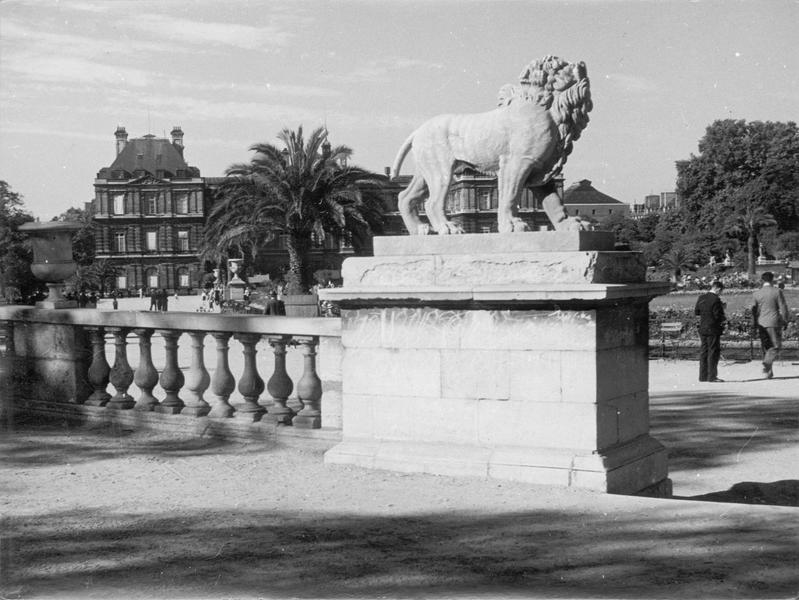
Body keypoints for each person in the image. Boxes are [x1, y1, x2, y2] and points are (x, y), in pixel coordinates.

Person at [751, 271, 790, 379]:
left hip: (761, 322)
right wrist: (785, 320)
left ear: (762, 280)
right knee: (776, 346)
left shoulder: (756, 293)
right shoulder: (777, 291)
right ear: (772, 280)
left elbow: (753, 311)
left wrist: (753, 324)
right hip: (773, 322)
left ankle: (768, 372)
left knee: (766, 347)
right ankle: (767, 363)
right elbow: (783, 307)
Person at [694, 280, 726, 382]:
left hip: (703, 327)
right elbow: (718, 316)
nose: (720, 293)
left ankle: (702, 376)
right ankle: (712, 376)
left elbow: (697, 312)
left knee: (704, 351)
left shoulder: (701, 297)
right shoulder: (716, 300)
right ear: (717, 289)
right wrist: (723, 309)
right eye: (720, 291)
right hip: (713, 328)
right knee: (713, 352)